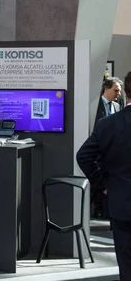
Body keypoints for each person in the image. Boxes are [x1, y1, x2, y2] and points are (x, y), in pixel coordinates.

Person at [77, 70, 131, 281]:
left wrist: (104, 184)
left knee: (126, 266)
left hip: (121, 205)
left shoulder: (108, 124)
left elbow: (83, 156)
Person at [91, 77, 122, 219]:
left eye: (120, 91)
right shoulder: (95, 106)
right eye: (116, 90)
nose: (118, 94)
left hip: (112, 154)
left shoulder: (116, 107)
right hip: (98, 153)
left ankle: (105, 214)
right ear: (107, 89)